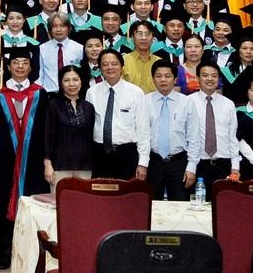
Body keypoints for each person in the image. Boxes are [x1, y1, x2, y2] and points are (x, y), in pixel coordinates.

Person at [0, 46, 46, 269]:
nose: (20, 67)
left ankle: (30, 251)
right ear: (8, 67)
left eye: (24, 63)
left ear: (31, 67)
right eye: (15, 63)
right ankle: (6, 250)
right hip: (6, 158)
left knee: (32, 200)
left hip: (33, 159)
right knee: (3, 200)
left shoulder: (40, 93)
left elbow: (44, 128)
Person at [86, 49, 149, 180]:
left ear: (122, 67)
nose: (110, 67)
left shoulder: (135, 92)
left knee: (126, 193)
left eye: (114, 64)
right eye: (105, 64)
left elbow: (143, 130)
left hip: (126, 154)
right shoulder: (92, 92)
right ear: (100, 68)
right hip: (99, 154)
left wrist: (143, 163)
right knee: (99, 192)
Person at [146, 59, 201, 201]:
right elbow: (141, 135)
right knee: (151, 206)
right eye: (158, 76)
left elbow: (194, 138)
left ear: (175, 79)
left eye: (167, 76)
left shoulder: (187, 102)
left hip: (179, 163)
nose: (163, 80)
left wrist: (191, 167)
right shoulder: (145, 102)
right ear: (153, 78)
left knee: (180, 205)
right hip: (153, 162)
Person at [188, 62, 240, 197]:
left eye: (214, 76)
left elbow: (232, 137)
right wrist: (190, 167)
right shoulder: (188, 102)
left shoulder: (228, 104)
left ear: (219, 79)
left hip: (223, 166)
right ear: (198, 78)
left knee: (223, 205)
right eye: (205, 75)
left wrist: (235, 166)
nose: (210, 79)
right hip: (197, 165)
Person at [43, 64, 96, 189]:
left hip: (85, 166)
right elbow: (47, 136)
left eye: (75, 79)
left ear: (81, 82)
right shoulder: (53, 105)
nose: (71, 84)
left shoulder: (88, 107)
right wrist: (47, 164)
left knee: (83, 199)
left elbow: (91, 137)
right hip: (60, 165)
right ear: (61, 83)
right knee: (60, 200)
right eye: (66, 80)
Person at [219, 28, 253, 106]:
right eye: (244, 48)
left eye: (252, 49)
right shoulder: (227, 72)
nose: (248, 52)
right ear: (238, 50)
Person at [37, 13, 83, 91]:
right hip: (49, 93)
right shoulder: (43, 48)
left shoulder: (78, 48)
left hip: (71, 92)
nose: (58, 29)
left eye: (62, 26)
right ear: (50, 29)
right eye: (54, 26)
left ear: (68, 28)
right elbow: (40, 74)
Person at [121, 20, 160, 94]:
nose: (144, 38)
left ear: (153, 38)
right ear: (133, 38)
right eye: (139, 34)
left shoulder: (159, 62)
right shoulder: (123, 61)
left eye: (147, 34)